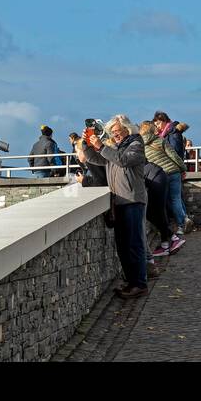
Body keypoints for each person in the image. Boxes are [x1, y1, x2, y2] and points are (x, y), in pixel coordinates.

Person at [79, 115, 149, 298]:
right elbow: (95, 159)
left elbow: (122, 160)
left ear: (128, 130)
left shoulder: (136, 144)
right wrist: (86, 143)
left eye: (118, 132)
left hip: (133, 200)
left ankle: (139, 283)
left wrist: (102, 146)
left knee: (134, 244)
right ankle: (130, 281)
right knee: (122, 245)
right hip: (119, 201)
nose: (115, 135)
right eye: (113, 132)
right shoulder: (115, 148)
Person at [139, 121, 182, 260]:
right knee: (166, 206)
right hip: (164, 173)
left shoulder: (138, 143)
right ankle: (166, 244)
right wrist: (183, 168)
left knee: (153, 212)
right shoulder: (159, 140)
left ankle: (174, 236)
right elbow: (174, 155)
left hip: (155, 176)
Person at [153, 112, 193, 235]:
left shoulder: (172, 133)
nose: (158, 126)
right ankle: (184, 220)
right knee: (176, 198)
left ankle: (182, 223)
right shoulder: (169, 133)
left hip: (171, 169)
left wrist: (180, 168)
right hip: (174, 169)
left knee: (174, 199)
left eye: (159, 123)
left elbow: (175, 152)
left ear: (164, 121)